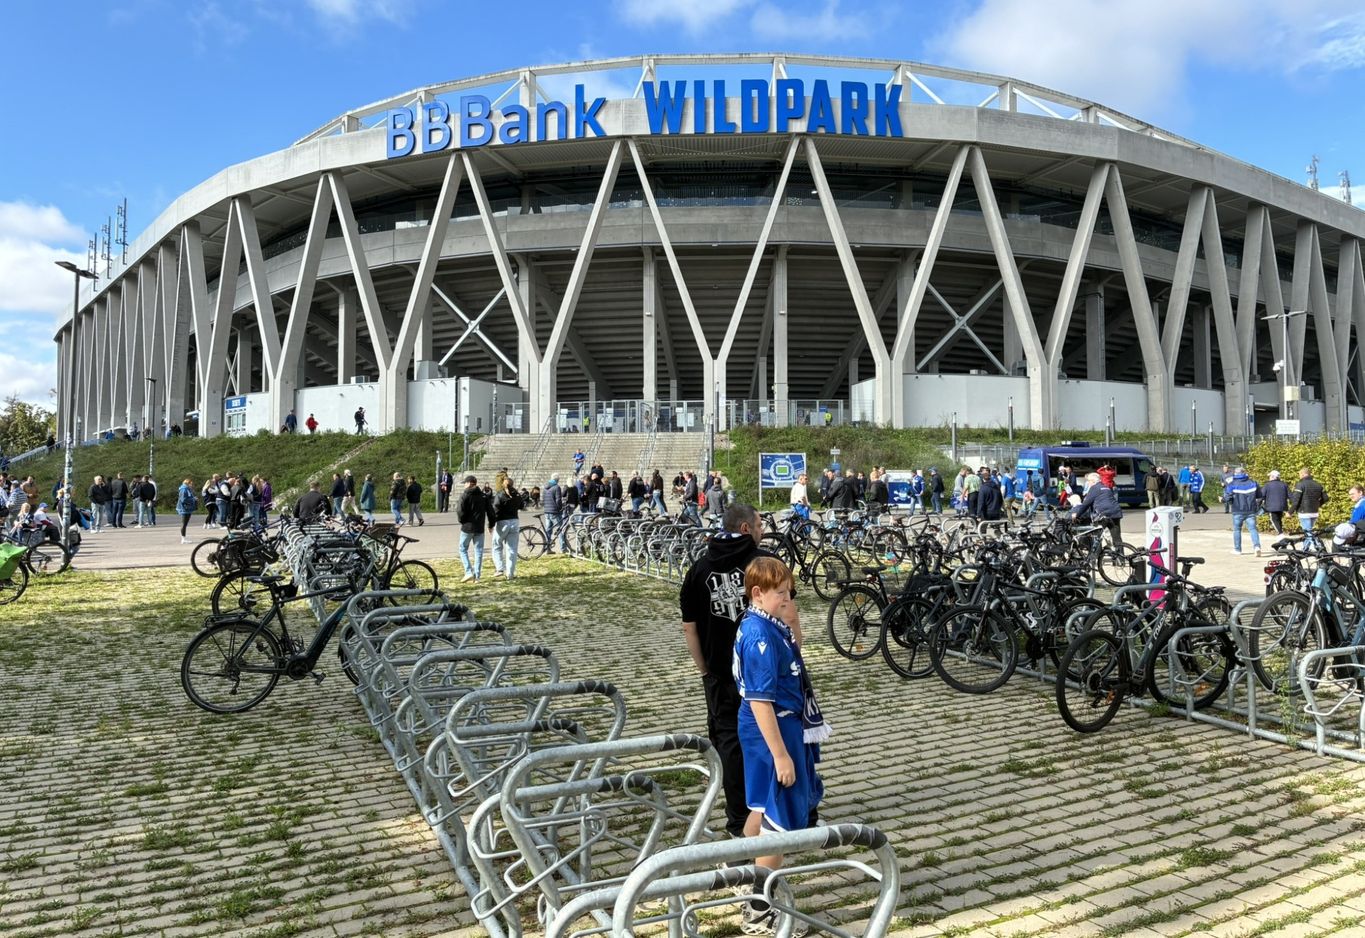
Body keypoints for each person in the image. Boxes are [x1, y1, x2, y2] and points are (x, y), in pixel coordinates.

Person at [680, 504, 798, 846]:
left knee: (730, 742)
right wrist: (795, 657)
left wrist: (705, 669)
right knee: (773, 735)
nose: (763, 529)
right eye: (760, 524)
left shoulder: (699, 568)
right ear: (746, 528)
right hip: (768, 669)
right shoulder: (766, 564)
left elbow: (690, 628)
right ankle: (781, 806)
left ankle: (739, 815)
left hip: (720, 671)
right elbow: (789, 613)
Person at [733, 554, 824, 935]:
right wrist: (781, 754)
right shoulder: (758, 635)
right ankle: (758, 908)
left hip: (781, 724)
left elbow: (797, 652)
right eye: (782, 593)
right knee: (779, 818)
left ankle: (739, 868)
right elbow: (760, 700)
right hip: (772, 729)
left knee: (760, 803)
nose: (789, 598)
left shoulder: (772, 622)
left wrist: (793, 617)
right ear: (758, 593)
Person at [1071, 471, 1125, 546]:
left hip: (1103, 514)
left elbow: (1085, 504)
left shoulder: (1094, 488)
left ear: (1093, 481)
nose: (1088, 483)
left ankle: (1096, 556)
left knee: (1097, 537)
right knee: (1117, 537)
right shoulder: (1106, 487)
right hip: (1115, 513)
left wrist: (1077, 515)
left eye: (1088, 481)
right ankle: (1120, 556)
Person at [1224, 467, 1264, 556]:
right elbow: (1260, 496)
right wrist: (1257, 506)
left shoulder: (1232, 484)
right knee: (1253, 529)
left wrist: (1231, 503)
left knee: (1237, 529)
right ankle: (1257, 546)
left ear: (1235, 473)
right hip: (1251, 510)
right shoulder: (1253, 483)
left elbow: (1227, 497)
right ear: (1244, 473)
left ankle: (1238, 549)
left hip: (1237, 510)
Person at [490, 476, 522, 579]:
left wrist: (491, 524)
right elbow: (521, 505)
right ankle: (510, 573)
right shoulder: (516, 494)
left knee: (497, 545)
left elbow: (495, 509)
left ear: (503, 484)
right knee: (512, 549)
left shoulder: (500, 495)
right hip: (514, 521)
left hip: (502, 522)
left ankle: (499, 568)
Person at [457, 475, 488, 582]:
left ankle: (468, 571)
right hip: (479, 527)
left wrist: (462, 521)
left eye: (465, 483)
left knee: (462, 548)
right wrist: (491, 523)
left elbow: (460, 511)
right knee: (478, 551)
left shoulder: (465, 495)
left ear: (468, 483)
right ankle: (477, 576)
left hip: (467, 527)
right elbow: (490, 511)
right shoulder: (483, 496)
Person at [1290, 467, 1328, 549]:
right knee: (1308, 531)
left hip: (1304, 512)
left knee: (1308, 532)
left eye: (1300, 474)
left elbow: (1296, 500)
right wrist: (1318, 504)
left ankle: (1318, 547)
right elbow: (1326, 498)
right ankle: (1305, 549)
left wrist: (1290, 512)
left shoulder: (1300, 485)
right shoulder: (1318, 484)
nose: (1299, 476)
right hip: (1314, 512)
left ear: (1304, 474)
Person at [543, 474, 566, 552]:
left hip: (547, 511)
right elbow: (558, 500)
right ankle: (563, 548)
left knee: (548, 530)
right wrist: (560, 508)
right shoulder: (557, 487)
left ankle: (547, 548)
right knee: (560, 529)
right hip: (555, 511)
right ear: (557, 480)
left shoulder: (545, 487)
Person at [1262, 469, 1289, 534]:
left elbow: (1261, 495)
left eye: (1270, 476)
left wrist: (1258, 505)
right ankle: (1280, 533)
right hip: (1282, 507)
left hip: (1271, 507)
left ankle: (1280, 534)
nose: (1269, 478)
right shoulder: (1284, 484)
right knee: (1279, 520)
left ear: (1273, 477)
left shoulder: (1267, 485)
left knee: (1274, 520)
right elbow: (1290, 495)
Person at [176, 477, 198, 543]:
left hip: (187, 508)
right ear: (187, 483)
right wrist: (193, 499)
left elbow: (187, 497)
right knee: (184, 524)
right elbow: (183, 500)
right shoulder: (184, 489)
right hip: (184, 508)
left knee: (185, 524)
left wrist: (193, 498)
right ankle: (183, 539)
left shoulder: (187, 489)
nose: (192, 485)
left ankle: (184, 538)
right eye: (191, 484)